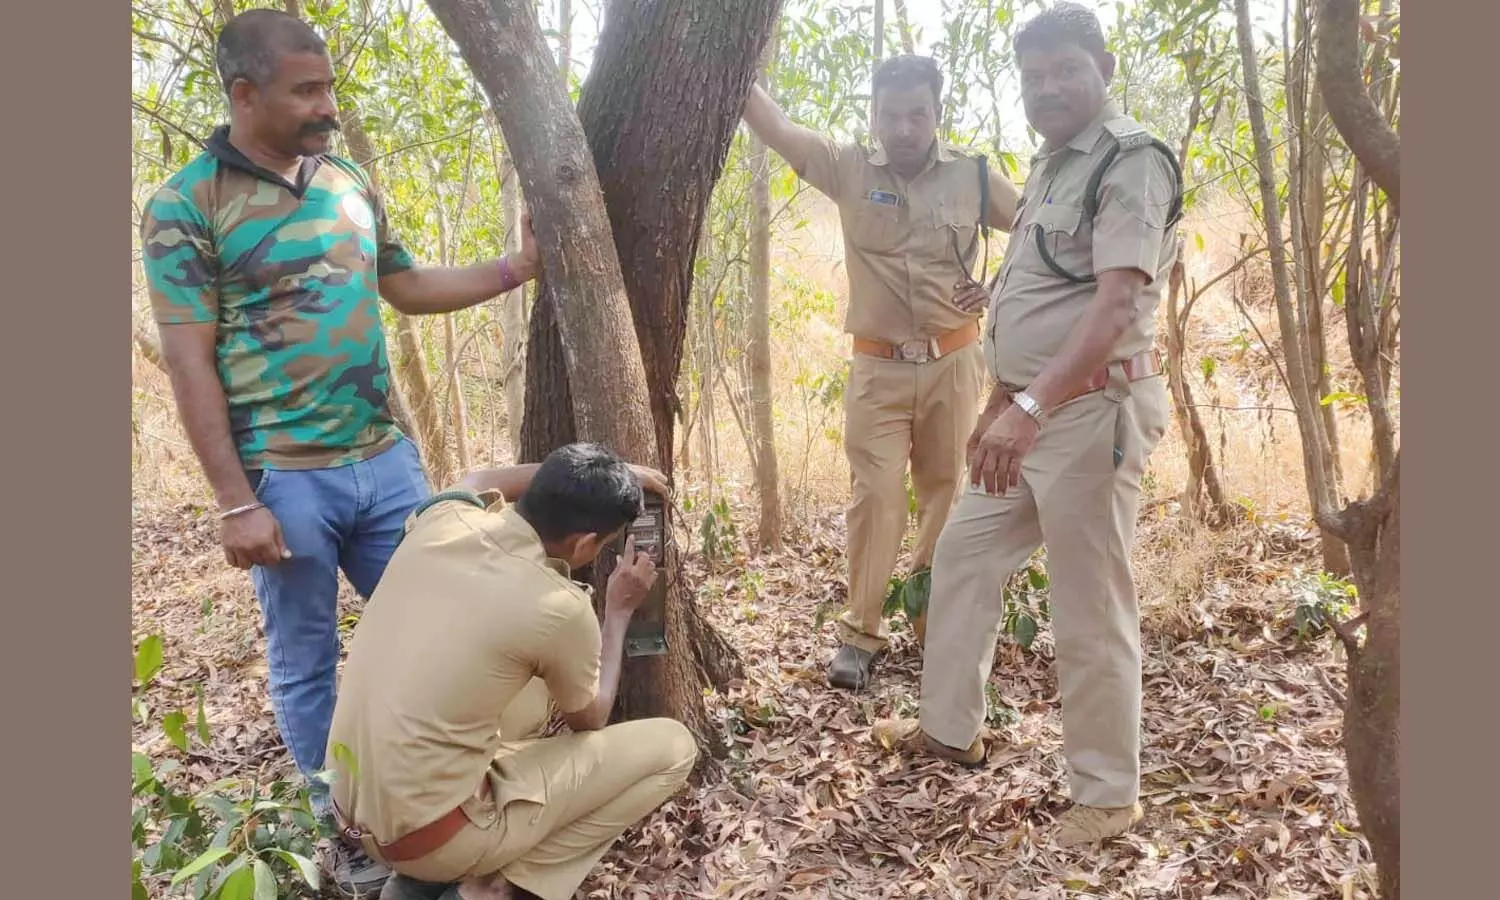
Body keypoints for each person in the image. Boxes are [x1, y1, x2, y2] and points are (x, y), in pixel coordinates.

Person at [137, 9, 542, 894]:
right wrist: (235, 501)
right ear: (243, 94)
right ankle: (351, 828)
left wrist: (514, 270)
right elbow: (187, 359)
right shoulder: (184, 206)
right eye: (306, 91)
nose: (328, 105)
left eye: (329, 87)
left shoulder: (347, 177)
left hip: (384, 460)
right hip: (285, 480)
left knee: (440, 625)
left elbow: (403, 285)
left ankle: (440, 793)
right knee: (307, 658)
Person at [871, 1, 1183, 850]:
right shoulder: (1052, 166)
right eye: (1034, 76)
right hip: (1030, 413)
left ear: (1103, 69)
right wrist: (1003, 403)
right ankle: (949, 727)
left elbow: (1116, 303)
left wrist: (1033, 406)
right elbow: (1038, 294)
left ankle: (1108, 794)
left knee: (1090, 603)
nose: (1047, 88)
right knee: (967, 553)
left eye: (1065, 71)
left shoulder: (1131, 161)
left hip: (1091, 413)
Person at [740, 55, 1021, 691]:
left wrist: (998, 290)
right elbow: (778, 127)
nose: (903, 128)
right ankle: (861, 632)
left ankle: (929, 619)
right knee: (878, 495)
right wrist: (729, 66)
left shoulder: (974, 176)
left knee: (947, 491)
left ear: (936, 115)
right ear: (874, 115)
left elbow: (1037, 229)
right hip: (877, 369)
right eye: (890, 115)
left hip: (955, 361)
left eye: (916, 114)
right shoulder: (848, 168)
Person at [324, 443, 698, 900]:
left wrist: (605, 475)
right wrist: (617, 613)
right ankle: (493, 889)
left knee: (525, 692)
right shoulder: (558, 606)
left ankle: (416, 881)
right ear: (584, 544)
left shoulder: (441, 521)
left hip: (349, 812)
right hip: (432, 841)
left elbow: (479, 478)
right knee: (675, 747)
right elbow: (591, 716)